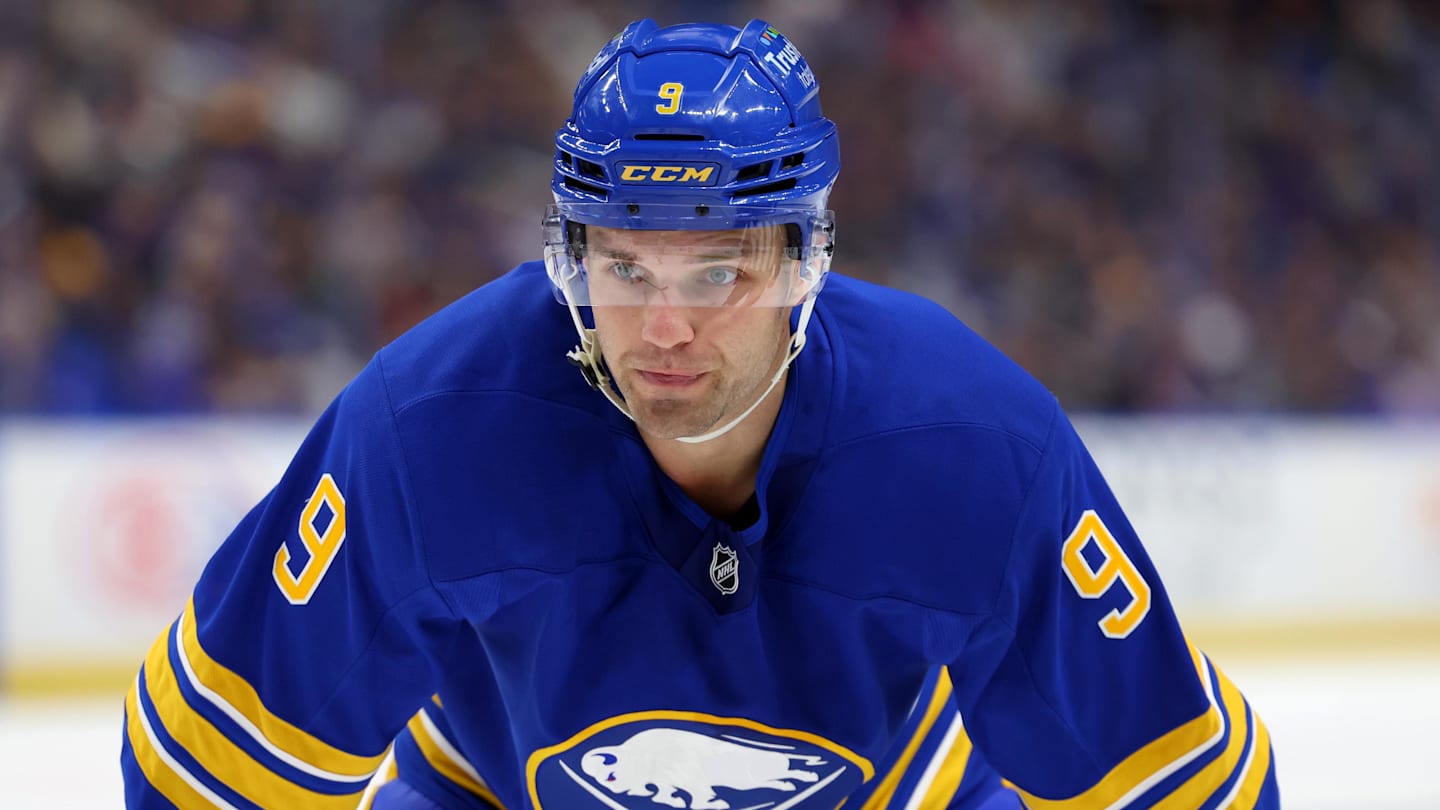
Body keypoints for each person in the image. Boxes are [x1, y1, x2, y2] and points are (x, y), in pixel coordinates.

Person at [121, 18, 1279, 810]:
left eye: (718, 271)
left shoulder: (977, 450)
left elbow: (1168, 781)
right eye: (625, 268)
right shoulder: (426, 428)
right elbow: (211, 771)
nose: (663, 330)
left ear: (803, 265)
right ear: (571, 257)